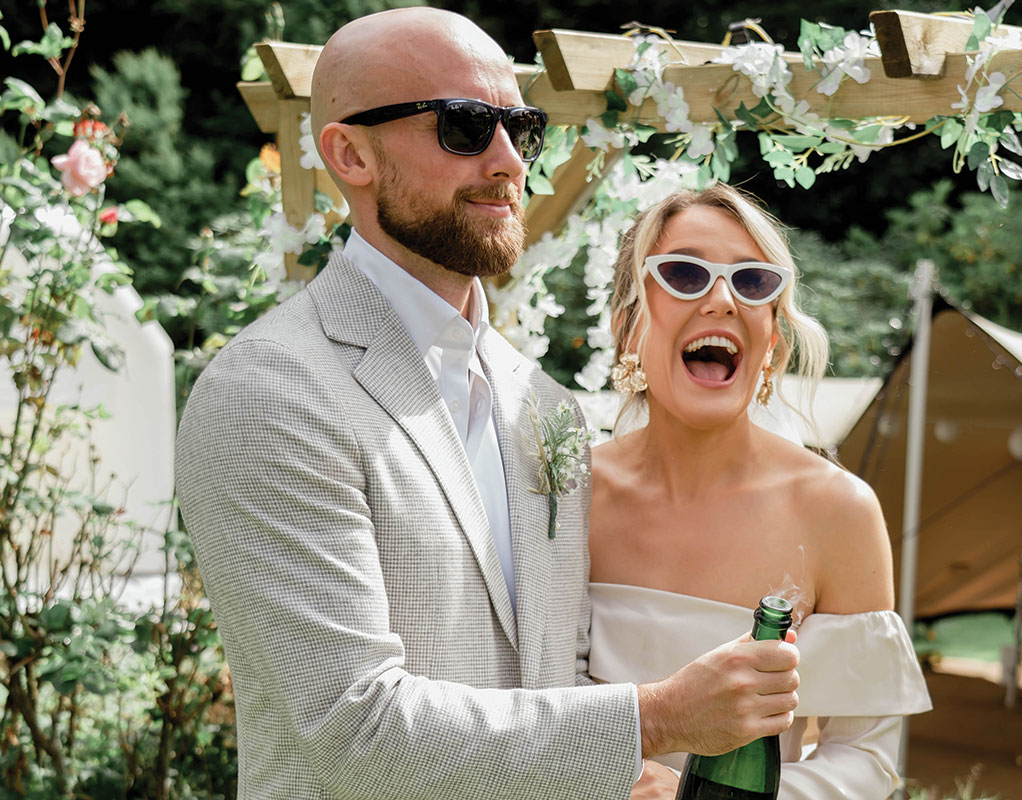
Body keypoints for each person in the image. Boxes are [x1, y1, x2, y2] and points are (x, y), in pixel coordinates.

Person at [175, 9, 801, 800]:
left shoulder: (546, 408)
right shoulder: (268, 393)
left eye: (522, 128)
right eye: (466, 127)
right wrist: (658, 720)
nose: (509, 161)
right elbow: (353, 730)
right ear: (350, 153)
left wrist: (634, 779)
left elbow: (554, 673)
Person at [588, 183, 933, 799]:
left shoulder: (837, 512)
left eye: (752, 283)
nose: (721, 299)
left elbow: (867, 761)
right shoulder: (562, 500)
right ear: (627, 330)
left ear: (771, 342)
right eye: (685, 273)